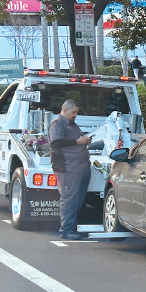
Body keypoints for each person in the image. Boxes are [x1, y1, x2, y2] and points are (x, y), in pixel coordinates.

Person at [49, 99, 92, 240]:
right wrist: (77, 142)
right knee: (69, 199)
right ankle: (66, 231)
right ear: (65, 110)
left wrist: (84, 141)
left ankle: (72, 227)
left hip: (79, 167)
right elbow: (56, 142)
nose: (75, 115)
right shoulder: (57, 124)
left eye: (77, 113)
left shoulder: (73, 125)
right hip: (68, 168)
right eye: (74, 112)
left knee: (77, 200)